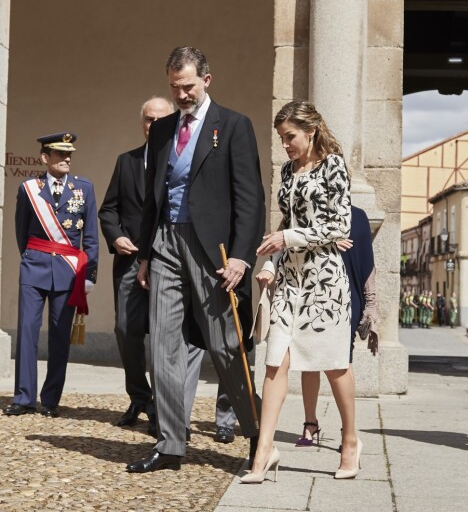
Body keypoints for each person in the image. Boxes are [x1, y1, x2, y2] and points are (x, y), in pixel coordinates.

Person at [126, 46, 264, 473]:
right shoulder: (164, 128)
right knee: (163, 345)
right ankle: (170, 444)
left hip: (213, 252)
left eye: (187, 85)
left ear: (207, 79)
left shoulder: (234, 126)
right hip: (166, 240)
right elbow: (155, 195)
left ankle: (257, 433)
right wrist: (147, 253)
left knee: (225, 344)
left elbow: (250, 199)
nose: (181, 94)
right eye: (174, 86)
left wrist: (242, 257)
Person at [98, 96, 236, 441]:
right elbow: (108, 210)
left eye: (159, 118)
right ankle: (140, 398)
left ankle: (167, 410)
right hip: (133, 261)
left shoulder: (182, 157)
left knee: (169, 337)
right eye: (147, 119)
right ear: (141, 122)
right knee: (125, 329)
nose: (152, 124)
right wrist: (116, 238)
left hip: (173, 258)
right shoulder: (126, 161)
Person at [244, 100, 361, 485]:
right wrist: (267, 264)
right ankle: (264, 451)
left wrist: (288, 237)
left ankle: (349, 440)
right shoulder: (288, 171)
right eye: (281, 138)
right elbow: (284, 222)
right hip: (288, 281)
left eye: (290, 137)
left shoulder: (334, 165)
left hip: (325, 281)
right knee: (275, 360)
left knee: (333, 363)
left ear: (310, 131)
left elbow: (340, 225)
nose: (285, 145)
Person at [4, 133, 98, 418]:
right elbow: (22, 232)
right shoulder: (29, 188)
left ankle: (51, 399)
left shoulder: (85, 188)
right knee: (28, 333)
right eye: (60, 154)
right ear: (45, 157)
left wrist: (90, 274)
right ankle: (23, 398)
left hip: (68, 273)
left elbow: (90, 236)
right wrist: (33, 258)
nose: (66, 158)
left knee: (59, 336)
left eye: (69, 153)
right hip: (35, 269)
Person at [296, 205, 378, 449]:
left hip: (346, 295)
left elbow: (367, 262)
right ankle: (310, 423)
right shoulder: (306, 210)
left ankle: (348, 431)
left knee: (343, 360)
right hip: (310, 294)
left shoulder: (358, 216)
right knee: (307, 357)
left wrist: (371, 305)